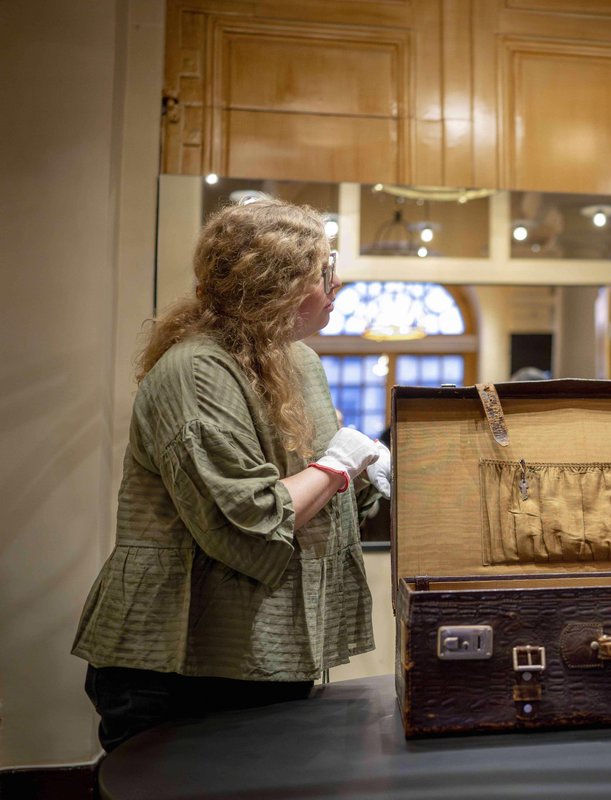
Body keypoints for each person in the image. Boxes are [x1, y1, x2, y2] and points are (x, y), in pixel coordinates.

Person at [72, 199, 392, 751]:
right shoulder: (196, 370)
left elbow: (316, 498)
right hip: (181, 665)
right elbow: (250, 516)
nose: (336, 282)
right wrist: (338, 465)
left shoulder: (300, 363)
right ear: (278, 285)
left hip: (265, 651)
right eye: (323, 270)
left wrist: (358, 474)